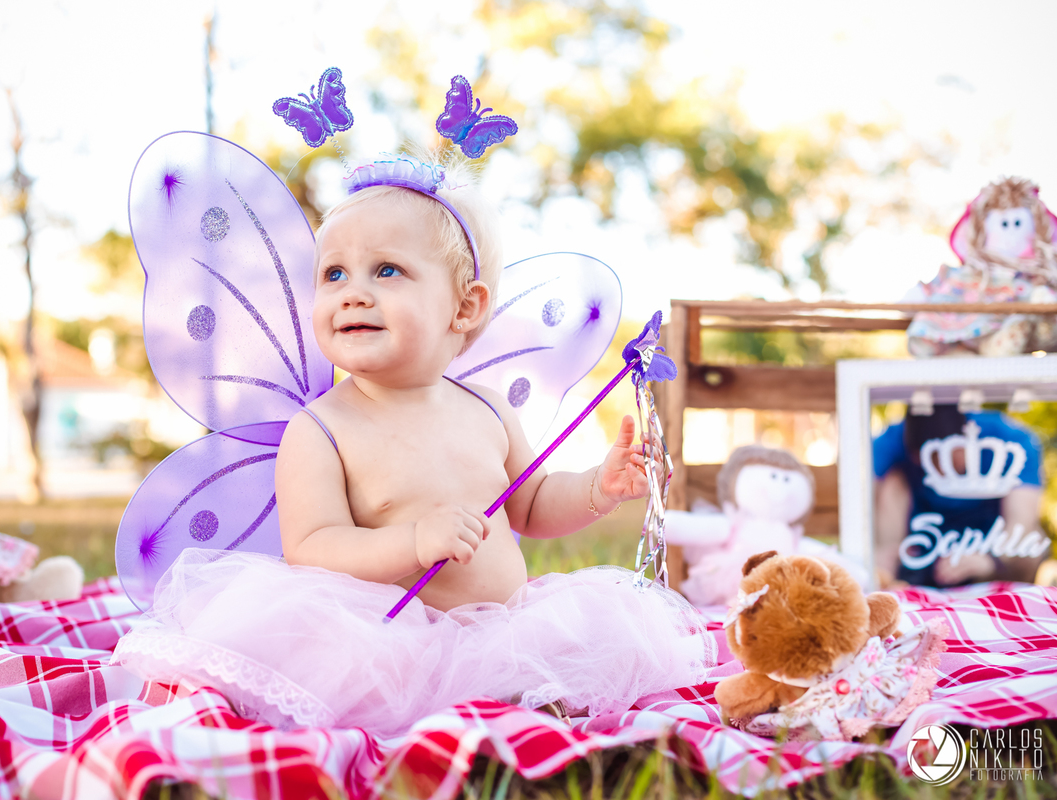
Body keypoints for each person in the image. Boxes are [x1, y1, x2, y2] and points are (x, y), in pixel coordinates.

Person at [112, 163, 715, 736]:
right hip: (391, 641)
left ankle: (524, 715)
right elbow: (313, 549)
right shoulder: (322, 429)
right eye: (334, 274)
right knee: (363, 681)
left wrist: (593, 488)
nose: (353, 293)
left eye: (387, 271)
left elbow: (529, 505)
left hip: (506, 632)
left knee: (586, 647)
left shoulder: (486, 408)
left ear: (465, 306)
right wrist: (413, 543)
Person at [873, 404, 1048, 587]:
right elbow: (859, 502)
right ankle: (892, 579)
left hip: (990, 548)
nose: (936, 468)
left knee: (1032, 541)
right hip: (918, 548)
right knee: (892, 482)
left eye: (942, 458)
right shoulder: (890, 441)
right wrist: (878, 554)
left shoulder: (1010, 438)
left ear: (964, 441)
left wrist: (990, 559)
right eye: (926, 461)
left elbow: (1022, 520)